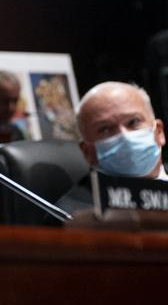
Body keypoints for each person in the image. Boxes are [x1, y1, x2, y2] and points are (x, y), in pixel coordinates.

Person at [57, 81, 167, 213]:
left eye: (133, 122)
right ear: (88, 152)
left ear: (159, 132)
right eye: (105, 129)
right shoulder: (71, 216)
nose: (125, 137)